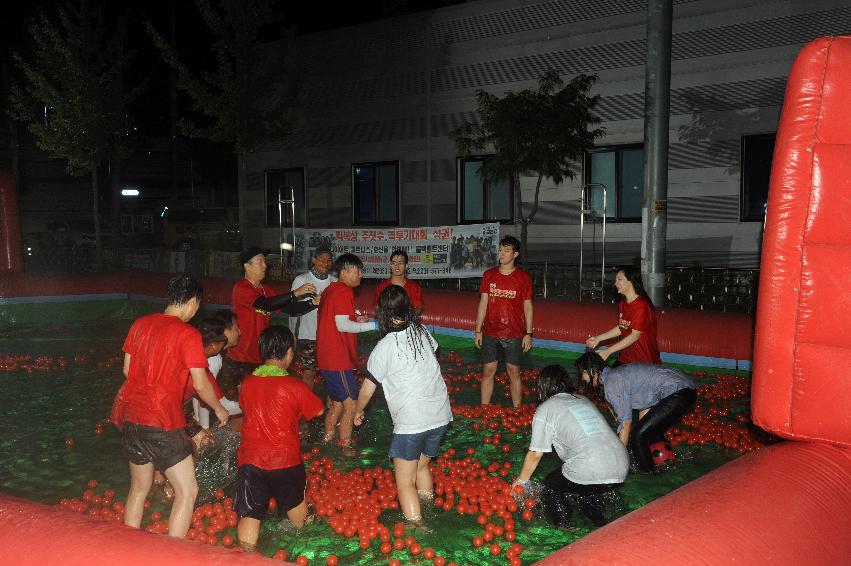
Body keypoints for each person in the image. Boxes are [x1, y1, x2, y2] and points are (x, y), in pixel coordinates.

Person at [117, 274, 229, 538]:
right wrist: (218, 408)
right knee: (188, 491)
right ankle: (172, 555)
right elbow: (201, 386)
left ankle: (124, 548)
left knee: (139, 489)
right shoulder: (187, 334)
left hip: (132, 417)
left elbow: (127, 370)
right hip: (162, 422)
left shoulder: (140, 324)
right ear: (192, 302)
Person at [354, 285, 452, 523]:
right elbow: (434, 354)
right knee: (421, 467)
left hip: (412, 423)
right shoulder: (421, 332)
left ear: (383, 313)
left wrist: (358, 410)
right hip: (440, 415)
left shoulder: (385, 346)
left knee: (404, 483)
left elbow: (368, 387)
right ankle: (428, 509)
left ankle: (418, 528)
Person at [235, 326, 324, 552]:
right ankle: (305, 551)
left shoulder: (246, 384)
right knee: (299, 517)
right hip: (285, 462)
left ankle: (244, 557)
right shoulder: (294, 386)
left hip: (250, 462)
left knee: (250, 515)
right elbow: (318, 410)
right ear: (289, 353)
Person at [512, 365, 628, 528]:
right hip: (621, 464)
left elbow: (535, 454)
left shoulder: (546, 408)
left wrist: (521, 482)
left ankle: (564, 526)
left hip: (590, 465)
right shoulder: (583, 400)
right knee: (582, 488)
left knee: (552, 486)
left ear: (543, 387)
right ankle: (602, 524)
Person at [575, 351, 697, 473]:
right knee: (645, 432)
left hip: (678, 392)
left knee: (637, 436)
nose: (582, 378)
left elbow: (626, 423)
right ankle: (667, 464)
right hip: (686, 390)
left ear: (592, 370)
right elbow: (645, 403)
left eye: (583, 373)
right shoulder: (617, 374)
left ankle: (647, 474)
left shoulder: (612, 383)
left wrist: (617, 459)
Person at [220, 246, 318, 398]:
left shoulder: (265, 290)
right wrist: (295, 293)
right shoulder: (242, 288)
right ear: (247, 265)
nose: (265, 266)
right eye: (260, 262)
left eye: (264, 262)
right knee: (242, 400)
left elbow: (290, 309)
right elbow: (266, 304)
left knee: (258, 398)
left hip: (260, 355)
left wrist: (313, 303)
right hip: (241, 356)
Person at [316, 253, 376, 452]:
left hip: (326, 357)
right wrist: (375, 326)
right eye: (357, 270)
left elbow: (334, 320)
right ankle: (345, 447)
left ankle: (327, 438)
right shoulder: (343, 291)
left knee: (336, 404)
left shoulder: (330, 289)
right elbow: (342, 325)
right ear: (344, 272)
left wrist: (355, 320)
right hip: (338, 358)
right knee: (351, 404)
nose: (360, 275)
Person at [473, 235, 534, 407]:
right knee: (488, 371)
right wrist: (478, 330)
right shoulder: (489, 275)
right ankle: (484, 409)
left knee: (514, 372)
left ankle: (517, 410)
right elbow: (483, 303)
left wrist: (528, 333)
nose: (501, 254)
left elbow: (528, 307)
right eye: (500, 250)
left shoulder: (524, 279)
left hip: (513, 332)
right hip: (490, 332)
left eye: (506, 251)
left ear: (515, 254)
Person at [585, 267, 660, 364]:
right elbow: (622, 327)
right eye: (616, 280)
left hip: (644, 361)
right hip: (626, 357)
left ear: (631, 282)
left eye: (619, 279)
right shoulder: (622, 304)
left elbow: (634, 336)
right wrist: (598, 338)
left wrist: (608, 351)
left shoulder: (642, 306)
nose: (615, 283)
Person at [289, 245, 336, 389]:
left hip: (329, 337)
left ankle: (331, 405)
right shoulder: (301, 280)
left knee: (331, 373)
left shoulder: (335, 282)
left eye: (328, 260)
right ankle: (307, 405)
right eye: (321, 259)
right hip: (307, 335)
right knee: (308, 373)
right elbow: (293, 309)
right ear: (313, 260)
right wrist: (292, 333)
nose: (325, 263)